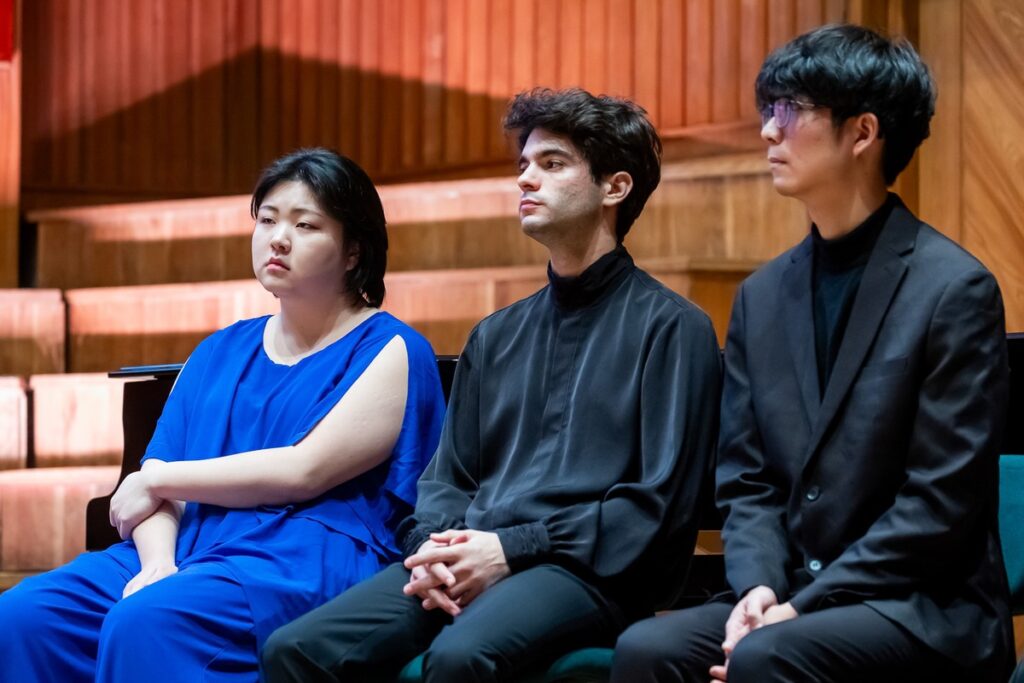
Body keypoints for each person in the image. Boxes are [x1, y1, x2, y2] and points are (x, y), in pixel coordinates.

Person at [260, 88, 722, 682]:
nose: (526, 179)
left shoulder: (674, 328)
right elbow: (449, 477)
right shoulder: (496, 335)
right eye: (523, 165)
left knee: (459, 658)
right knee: (295, 650)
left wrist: (511, 549)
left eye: (552, 164)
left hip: (588, 574)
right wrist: (433, 547)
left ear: (616, 188)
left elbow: (652, 509)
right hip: (469, 554)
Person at [612, 23, 1014, 683]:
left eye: (789, 111)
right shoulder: (761, 295)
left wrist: (803, 607)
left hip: (922, 606)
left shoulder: (954, 289)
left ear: (862, 133)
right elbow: (747, 481)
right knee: (645, 649)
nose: (768, 130)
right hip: (792, 588)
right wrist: (760, 590)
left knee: (771, 656)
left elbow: (939, 504)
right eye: (769, 110)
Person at [0, 148, 446, 682]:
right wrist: (158, 564)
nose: (279, 238)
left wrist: (159, 478)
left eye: (305, 225)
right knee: (23, 616)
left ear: (353, 251)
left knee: (146, 622)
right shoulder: (217, 350)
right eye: (267, 220)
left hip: (298, 557)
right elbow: (152, 495)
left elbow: (304, 471)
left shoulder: (391, 347)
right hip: (190, 544)